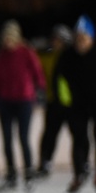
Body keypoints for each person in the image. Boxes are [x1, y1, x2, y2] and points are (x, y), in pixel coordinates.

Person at [55, 15, 96, 193]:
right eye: (77, 38)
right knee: (79, 138)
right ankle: (78, 174)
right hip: (78, 103)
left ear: (91, 39)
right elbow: (59, 78)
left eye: (84, 38)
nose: (80, 43)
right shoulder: (67, 56)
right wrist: (64, 100)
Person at [0, 19, 45, 193]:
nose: (8, 41)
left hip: (24, 100)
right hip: (5, 101)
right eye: (6, 38)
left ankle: (29, 173)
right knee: (6, 139)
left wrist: (40, 88)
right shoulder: (1, 55)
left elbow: (37, 71)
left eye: (11, 38)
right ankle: (11, 174)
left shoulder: (26, 52)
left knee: (23, 137)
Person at [34, 24, 73, 178]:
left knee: (78, 133)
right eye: (54, 39)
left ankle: (82, 162)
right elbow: (37, 70)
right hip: (52, 100)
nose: (55, 42)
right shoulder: (47, 57)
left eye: (59, 40)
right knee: (50, 133)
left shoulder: (72, 57)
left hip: (71, 102)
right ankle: (45, 161)